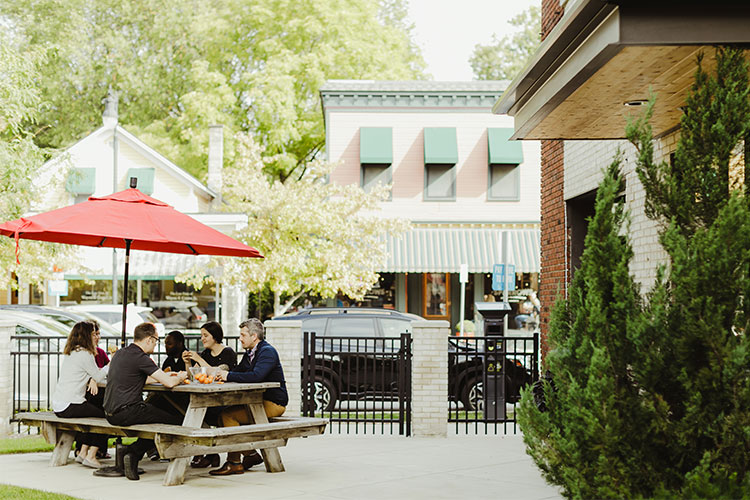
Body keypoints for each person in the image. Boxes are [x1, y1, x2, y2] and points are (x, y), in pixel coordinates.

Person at [102, 322, 188, 480]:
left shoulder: (121, 353)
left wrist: (168, 377)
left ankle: (133, 452)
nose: (156, 345)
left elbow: (137, 379)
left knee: (157, 414)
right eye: (156, 341)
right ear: (149, 339)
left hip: (110, 412)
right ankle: (133, 452)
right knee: (177, 422)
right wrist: (181, 377)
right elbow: (169, 384)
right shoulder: (141, 358)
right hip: (128, 411)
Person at [209, 318, 288, 476]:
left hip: (273, 403)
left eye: (243, 335)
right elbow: (239, 371)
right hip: (255, 402)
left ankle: (234, 463)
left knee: (228, 415)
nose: (240, 338)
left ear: (254, 336)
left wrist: (228, 375)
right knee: (217, 415)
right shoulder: (251, 353)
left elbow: (256, 376)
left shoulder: (267, 351)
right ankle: (250, 454)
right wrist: (223, 375)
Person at [52, 321, 109, 468]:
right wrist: (111, 363)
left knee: (96, 411)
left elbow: (88, 374)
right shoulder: (85, 353)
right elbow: (98, 375)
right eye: (93, 334)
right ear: (86, 336)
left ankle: (83, 452)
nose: (96, 337)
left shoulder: (73, 351)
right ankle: (91, 455)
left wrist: (92, 378)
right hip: (71, 404)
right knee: (107, 417)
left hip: (60, 404)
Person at [181, 321, 238, 469]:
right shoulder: (206, 353)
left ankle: (208, 452)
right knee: (184, 410)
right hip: (206, 399)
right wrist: (187, 362)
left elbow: (217, 373)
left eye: (205, 335)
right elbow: (193, 376)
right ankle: (209, 453)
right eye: (201, 336)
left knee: (193, 414)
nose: (202, 339)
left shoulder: (228, 353)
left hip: (224, 400)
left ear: (215, 336)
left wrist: (198, 359)